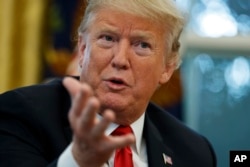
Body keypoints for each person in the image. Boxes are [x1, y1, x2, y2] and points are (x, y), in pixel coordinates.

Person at [0, 0, 217, 166]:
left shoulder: (194, 152)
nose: (120, 59)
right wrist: (77, 161)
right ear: (83, 49)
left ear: (168, 68)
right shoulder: (20, 116)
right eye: (108, 38)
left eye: (141, 45)